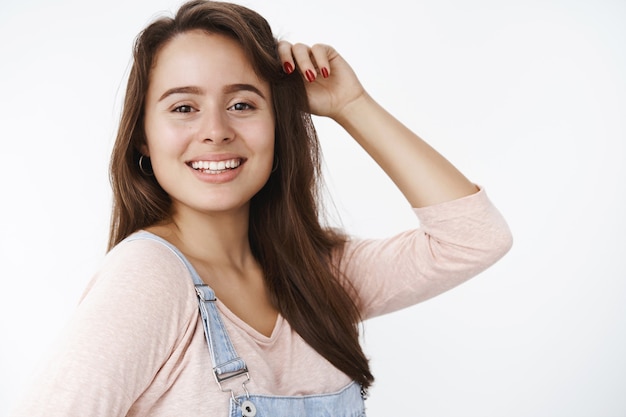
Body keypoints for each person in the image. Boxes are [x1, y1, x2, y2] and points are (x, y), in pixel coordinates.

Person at [9, 0, 512, 416]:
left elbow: (473, 239)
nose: (216, 130)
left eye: (243, 104)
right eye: (184, 107)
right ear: (143, 137)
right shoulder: (149, 277)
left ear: (278, 126)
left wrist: (351, 103)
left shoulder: (317, 275)